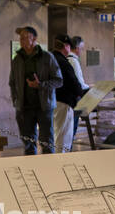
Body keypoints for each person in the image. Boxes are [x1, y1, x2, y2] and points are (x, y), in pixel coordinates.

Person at [9, 26, 62, 154]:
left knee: (47, 142)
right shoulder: (17, 60)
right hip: (24, 108)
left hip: (44, 107)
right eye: (21, 38)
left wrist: (41, 85)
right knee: (28, 143)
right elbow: (12, 82)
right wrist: (16, 100)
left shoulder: (47, 57)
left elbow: (58, 80)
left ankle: (48, 171)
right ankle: (30, 170)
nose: (22, 40)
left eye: (26, 37)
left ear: (34, 39)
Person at [51, 34, 84, 153]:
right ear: (66, 46)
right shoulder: (63, 62)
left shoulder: (50, 59)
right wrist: (80, 93)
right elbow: (73, 82)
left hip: (52, 101)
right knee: (63, 136)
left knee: (56, 132)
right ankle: (61, 163)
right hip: (63, 102)